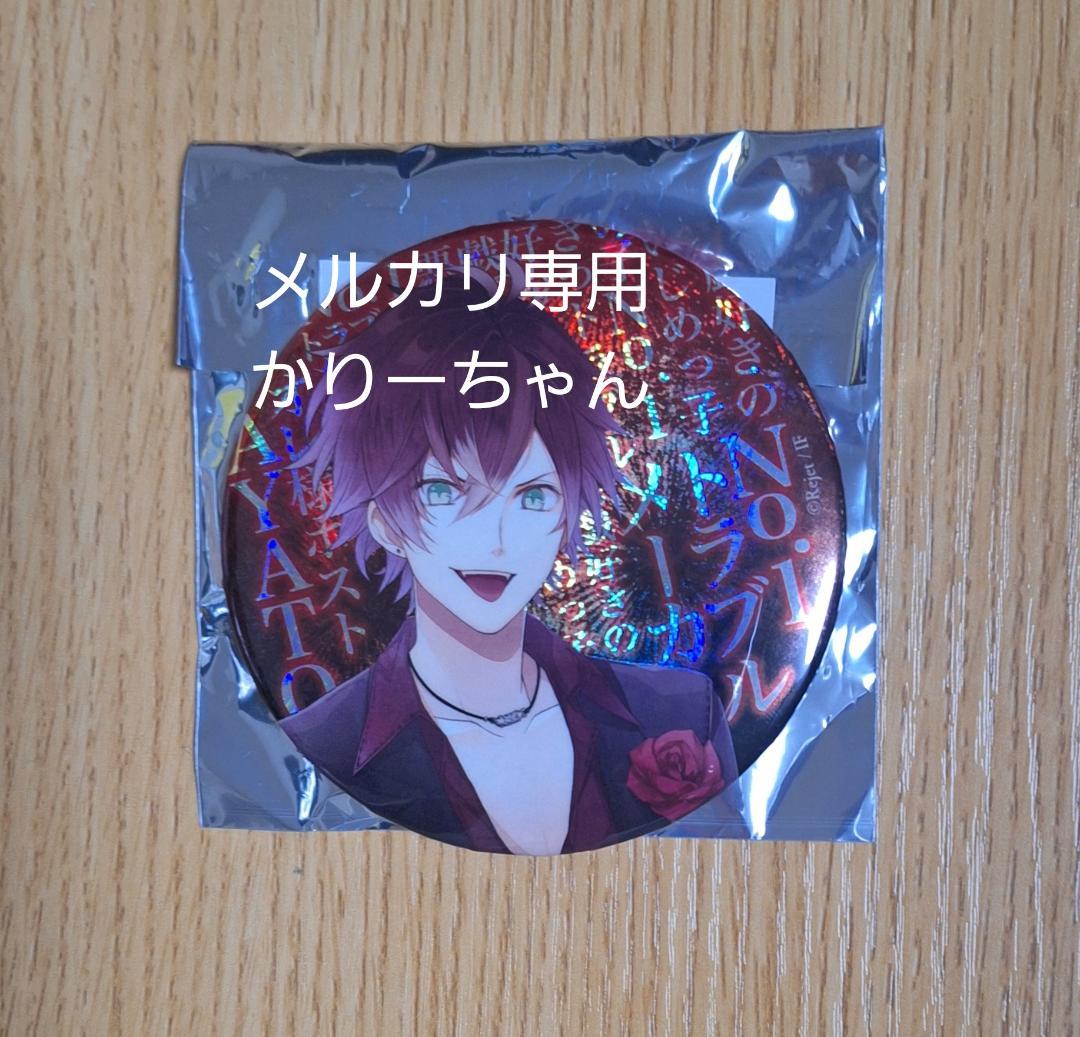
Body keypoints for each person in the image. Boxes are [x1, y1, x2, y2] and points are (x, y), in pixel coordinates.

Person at [277, 272, 737, 854]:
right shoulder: (323, 745)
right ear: (384, 521)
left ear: (568, 513)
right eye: (444, 491)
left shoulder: (679, 712)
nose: (495, 540)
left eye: (534, 496)